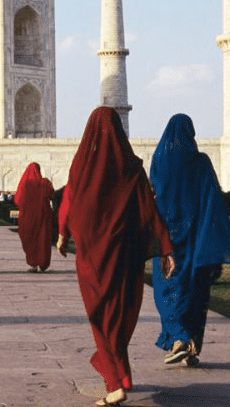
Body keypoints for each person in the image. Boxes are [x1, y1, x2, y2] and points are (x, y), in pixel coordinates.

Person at [58, 107, 176, 406]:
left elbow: (69, 202)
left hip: (92, 258)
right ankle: (122, 376)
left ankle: (114, 384)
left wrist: (62, 234)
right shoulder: (132, 168)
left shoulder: (81, 167)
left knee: (101, 318)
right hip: (124, 257)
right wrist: (165, 248)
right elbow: (150, 209)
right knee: (118, 317)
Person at [150, 113, 230, 367]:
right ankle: (189, 346)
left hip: (168, 240)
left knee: (165, 292)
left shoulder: (159, 160)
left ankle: (181, 340)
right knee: (195, 292)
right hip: (196, 239)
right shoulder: (201, 163)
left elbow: (153, 197)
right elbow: (213, 200)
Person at [13, 163, 55, 272]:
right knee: (43, 239)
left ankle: (34, 264)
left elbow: (17, 200)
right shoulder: (45, 183)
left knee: (31, 240)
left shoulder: (25, 185)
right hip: (44, 216)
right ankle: (43, 264)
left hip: (28, 217)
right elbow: (52, 195)